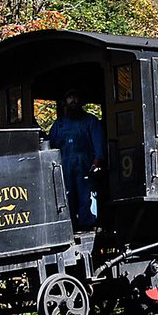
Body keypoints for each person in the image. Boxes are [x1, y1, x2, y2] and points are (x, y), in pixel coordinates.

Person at [49, 89, 104, 230]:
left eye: (75, 97)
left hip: (85, 166)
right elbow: (51, 145)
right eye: (69, 98)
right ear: (65, 101)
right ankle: (69, 225)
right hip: (65, 167)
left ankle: (89, 224)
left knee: (87, 197)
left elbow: (99, 145)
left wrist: (96, 162)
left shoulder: (91, 121)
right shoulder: (59, 124)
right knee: (67, 197)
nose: (73, 100)